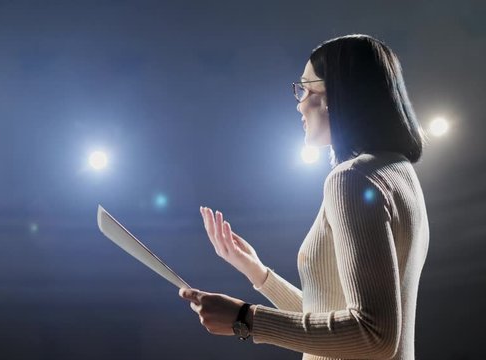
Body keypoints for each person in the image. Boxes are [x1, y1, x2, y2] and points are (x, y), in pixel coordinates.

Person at [179, 34, 429, 360]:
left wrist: (245, 319)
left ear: (336, 97)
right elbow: (333, 318)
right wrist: (258, 273)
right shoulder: (398, 170)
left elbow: (374, 335)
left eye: (307, 89)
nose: (300, 103)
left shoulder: (351, 179)